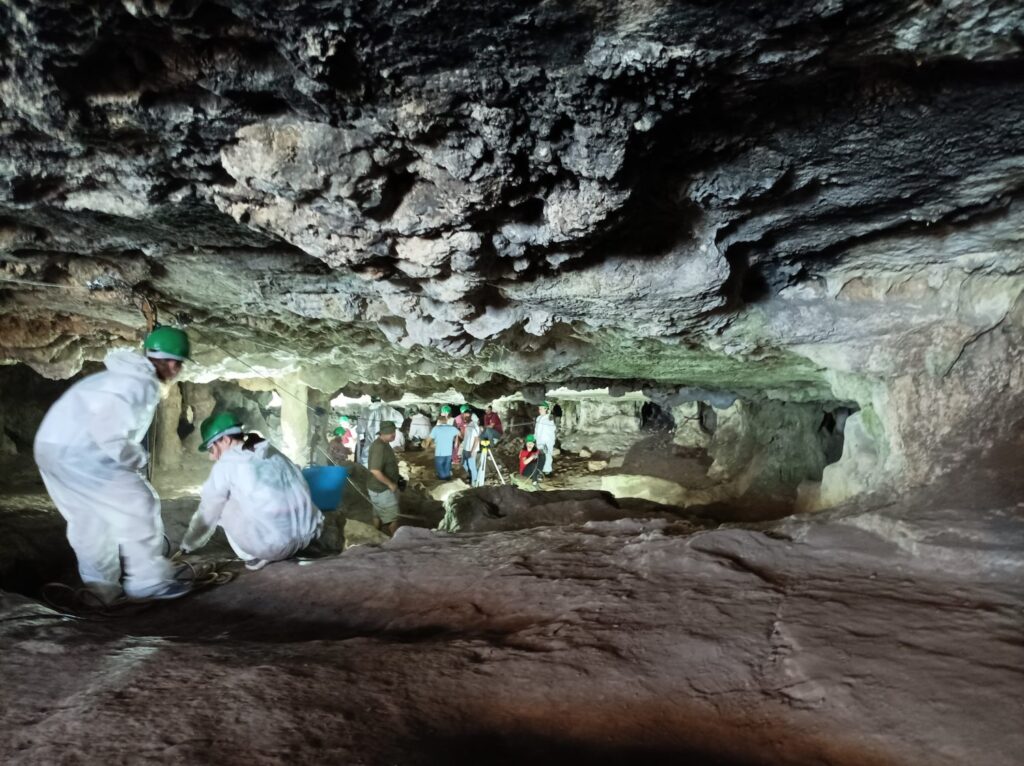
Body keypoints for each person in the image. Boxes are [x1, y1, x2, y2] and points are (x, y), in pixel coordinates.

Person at [33, 325, 193, 603]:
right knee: (139, 503)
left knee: (89, 519)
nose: (175, 369)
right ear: (161, 360)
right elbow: (107, 432)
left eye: (178, 364)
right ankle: (148, 581)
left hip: (52, 449)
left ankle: (100, 590)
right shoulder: (139, 382)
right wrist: (136, 458)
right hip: (82, 453)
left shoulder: (120, 378)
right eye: (173, 362)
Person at [180, 412, 323, 570]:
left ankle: (253, 557)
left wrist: (188, 544)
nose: (212, 457)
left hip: (274, 548)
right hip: (309, 536)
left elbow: (207, 513)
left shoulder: (227, 464)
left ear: (226, 440)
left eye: (211, 449)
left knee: (218, 503)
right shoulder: (273, 452)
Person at [366, 421, 404, 535]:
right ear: (382, 433)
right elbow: (375, 470)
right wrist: (390, 484)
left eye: (393, 432)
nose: (393, 435)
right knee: (393, 519)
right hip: (382, 489)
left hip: (377, 488)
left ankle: (376, 536)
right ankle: (395, 544)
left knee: (377, 514)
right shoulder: (379, 447)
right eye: (390, 433)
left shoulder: (384, 443)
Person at [424, 407, 460, 480]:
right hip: (448, 451)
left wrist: (426, 446)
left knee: (440, 466)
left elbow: (429, 439)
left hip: (439, 452)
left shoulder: (436, 428)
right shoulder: (452, 428)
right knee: (447, 465)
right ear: (446, 420)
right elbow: (460, 435)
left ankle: (443, 479)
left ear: (439, 421)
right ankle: (447, 478)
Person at [534, 401, 557, 475]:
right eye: (539, 408)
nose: (540, 410)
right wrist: (535, 437)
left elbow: (551, 428)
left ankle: (548, 471)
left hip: (547, 441)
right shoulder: (538, 418)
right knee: (540, 456)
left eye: (542, 408)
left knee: (547, 455)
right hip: (539, 440)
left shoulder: (549, 418)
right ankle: (541, 470)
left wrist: (545, 443)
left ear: (546, 409)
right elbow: (537, 430)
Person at [461, 413, 481, 485]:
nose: (465, 418)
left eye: (467, 416)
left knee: (472, 466)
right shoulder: (467, 426)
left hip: (471, 450)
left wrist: (472, 450)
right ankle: (468, 478)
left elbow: (477, 439)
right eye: (464, 416)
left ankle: (474, 483)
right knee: (464, 465)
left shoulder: (474, 426)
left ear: (471, 417)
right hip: (465, 449)